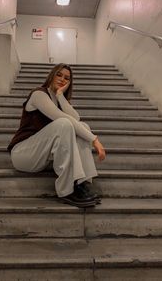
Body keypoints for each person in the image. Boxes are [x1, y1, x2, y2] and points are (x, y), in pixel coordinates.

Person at [7, 63, 106, 208]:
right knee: (64, 123)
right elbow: (63, 118)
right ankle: (66, 190)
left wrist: (60, 95)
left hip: (41, 155)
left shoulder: (57, 99)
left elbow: (76, 118)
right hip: (23, 153)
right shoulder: (39, 94)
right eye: (59, 75)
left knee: (82, 126)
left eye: (67, 78)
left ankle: (81, 183)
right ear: (52, 75)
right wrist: (94, 139)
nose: (62, 79)